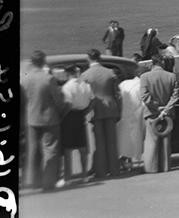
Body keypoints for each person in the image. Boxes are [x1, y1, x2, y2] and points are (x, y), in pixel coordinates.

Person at [21, 50, 71, 191]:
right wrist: (61, 111)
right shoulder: (48, 78)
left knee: (33, 149)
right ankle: (48, 182)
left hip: (31, 116)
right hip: (50, 118)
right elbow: (57, 99)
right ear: (43, 61)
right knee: (50, 149)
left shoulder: (24, 77)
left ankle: (32, 180)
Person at [79, 49, 123, 179]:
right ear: (100, 58)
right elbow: (118, 94)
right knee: (112, 140)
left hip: (94, 110)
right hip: (111, 107)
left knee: (99, 142)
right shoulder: (110, 72)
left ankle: (101, 170)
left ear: (89, 58)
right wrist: (119, 109)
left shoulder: (85, 75)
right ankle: (114, 169)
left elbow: (84, 95)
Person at [139, 54, 179, 173]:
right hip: (167, 113)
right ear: (162, 63)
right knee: (166, 141)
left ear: (152, 63)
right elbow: (175, 96)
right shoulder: (172, 76)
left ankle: (151, 167)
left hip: (151, 112)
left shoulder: (145, 77)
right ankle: (165, 166)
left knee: (151, 141)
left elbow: (144, 96)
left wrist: (156, 107)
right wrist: (166, 109)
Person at [60, 64, 95, 183]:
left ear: (67, 73)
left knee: (67, 148)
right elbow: (93, 100)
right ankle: (84, 174)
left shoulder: (67, 87)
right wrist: (86, 111)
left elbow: (69, 104)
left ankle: (68, 176)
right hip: (81, 115)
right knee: (82, 146)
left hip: (69, 116)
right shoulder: (86, 85)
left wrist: (62, 115)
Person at [117, 64, 147, 172]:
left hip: (122, 114)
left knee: (124, 139)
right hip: (136, 115)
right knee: (135, 140)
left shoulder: (124, 83)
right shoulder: (142, 85)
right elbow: (144, 102)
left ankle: (126, 160)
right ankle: (126, 161)